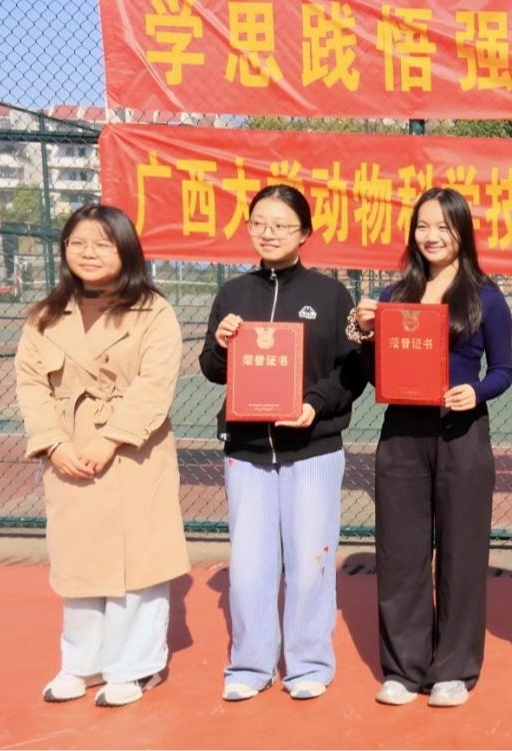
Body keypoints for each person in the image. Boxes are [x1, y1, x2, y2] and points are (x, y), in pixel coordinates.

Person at [15, 204, 189, 707]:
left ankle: (134, 667)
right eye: (77, 243)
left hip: (134, 453)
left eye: (101, 244)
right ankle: (82, 663)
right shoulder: (45, 316)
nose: (88, 253)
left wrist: (110, 439)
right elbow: (31, 385)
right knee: (79, 562)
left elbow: (155, 385)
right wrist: (54, 443)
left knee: (139, 565)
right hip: (67, 452)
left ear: (125, 250)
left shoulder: (154, 311)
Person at [199, 184, 367, 702]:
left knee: (310, 561)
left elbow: (352, 370)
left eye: (281, 225)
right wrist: (222, 345)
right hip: (247, 450)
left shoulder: (330, 295)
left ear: (305, 233)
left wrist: (315, 403)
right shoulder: (233, 294)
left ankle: (309, 663)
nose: (268, 233)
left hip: (313, 448)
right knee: (250, 564)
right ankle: (249, 665)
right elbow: (212, 369)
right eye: (259, 223)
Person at [348, 187, 512, 708]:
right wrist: (365, 333)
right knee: (400, 552)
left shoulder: (486, 296)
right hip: (402, 435)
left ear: (462, 231)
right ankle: (404, 668)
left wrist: (476, 392)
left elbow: (504, 370)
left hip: (462, 433)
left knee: (463, 552)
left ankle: (453, 670)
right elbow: (374, 374)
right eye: (423, 225)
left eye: (444, 226)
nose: (432, 236)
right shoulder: (394, 294)